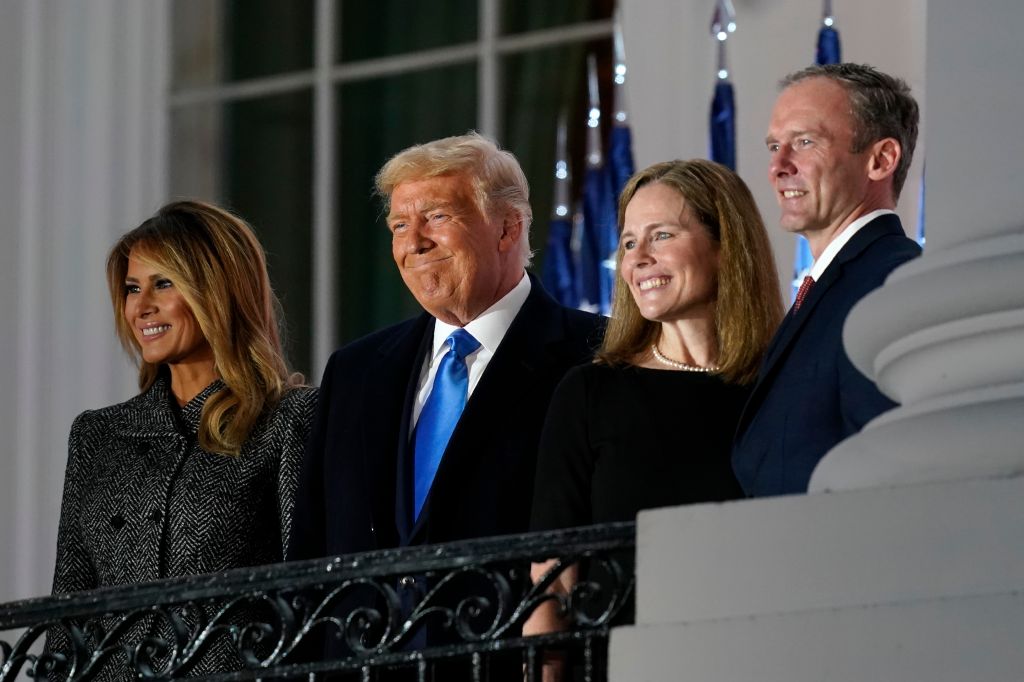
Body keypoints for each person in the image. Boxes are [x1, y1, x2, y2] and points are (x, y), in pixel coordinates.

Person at [289, 133, 604, 658]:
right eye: (398, 225)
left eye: (436, 218)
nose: (413, 242)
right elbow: (308, 558)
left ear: (508, 228)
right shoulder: (355, 372)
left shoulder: (595, 355)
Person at [524, 159, 783, 670]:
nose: (638, 258)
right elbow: (552, 574)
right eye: (627, 243)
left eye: (661, 235)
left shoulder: (778, 389)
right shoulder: (590, 392)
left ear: (726, 245)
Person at [48, 200, 317, 679]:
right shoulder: (96, 435)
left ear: (216, 289)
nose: (140, 306)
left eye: (162, 284)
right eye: (132, 288)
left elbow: (308, 598)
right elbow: (68, 613)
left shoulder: (288, 419)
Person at [732, 63, 923, 497]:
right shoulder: (825, 291)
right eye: (774, 146)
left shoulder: (891, 284)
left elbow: (896, 473)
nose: (778, 166)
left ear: (880, 160)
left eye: (804, 142)